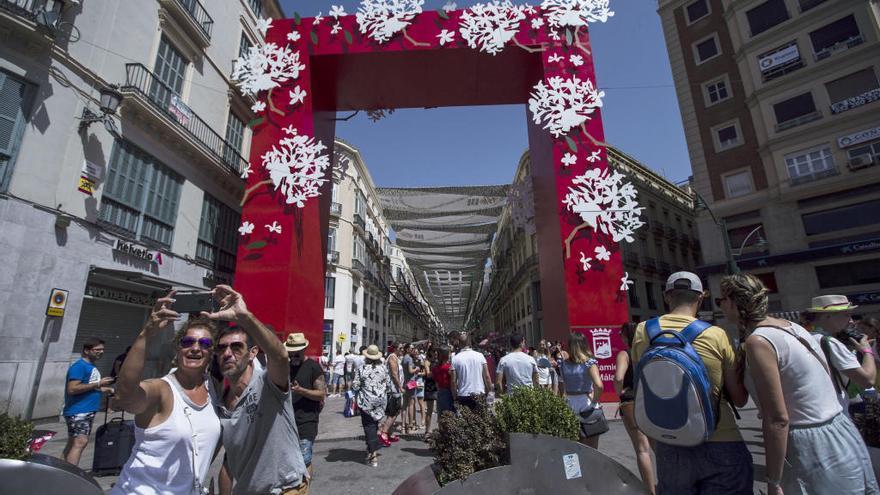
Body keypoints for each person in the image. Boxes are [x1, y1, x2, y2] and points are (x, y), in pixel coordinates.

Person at [719, 273, 880, 495]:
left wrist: (773, 480)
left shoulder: (758, 341)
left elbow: (777, 419)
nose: (720, 307)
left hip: (810, 444)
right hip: (841, 430)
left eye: (721, 301)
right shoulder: (790, 327)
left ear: (733, 302)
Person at [631, 272, 752, 494]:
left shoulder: (642, 331)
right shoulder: (716, 335)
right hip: (721, 438)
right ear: (701, 297)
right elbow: (740, 399)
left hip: (670, 443)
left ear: (667, 297)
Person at [111, 296, 221, 495]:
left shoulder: (213, 389)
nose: (195, 348)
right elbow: (124, 397)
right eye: (188, 342)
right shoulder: (161, 389)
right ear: (178, 348)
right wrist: (146, 334)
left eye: (204, 343)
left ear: (211, 352)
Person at [207, 285, 308, 495]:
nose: (227, 353)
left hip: (284, 490)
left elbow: (280, 356)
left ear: (253, 353)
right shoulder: (219, 401)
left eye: (236, 347)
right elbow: (229, 460)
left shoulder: (268, 382)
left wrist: (245, 317)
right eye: (221, 348)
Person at [805, 295, 876, 415]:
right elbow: (868, 380)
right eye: (846, 315)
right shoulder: (830, 343)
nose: (851, 320)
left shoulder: (806, 337)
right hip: (838, 413)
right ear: (827, 316)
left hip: (819, 410)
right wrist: (867, 351)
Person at [613, 322, 656, 494]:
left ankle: (650, 491)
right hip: (650, 400)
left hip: (631, 402)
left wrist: (620, 392)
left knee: (641, 449)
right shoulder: (647, 351)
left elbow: (618, 378)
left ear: (625, 335)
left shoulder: (625, 354)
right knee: (657, 446)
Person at [62, 337, 114, 467]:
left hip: (85, 410)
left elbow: (88, 387)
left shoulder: (91, 366)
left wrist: (103, 389)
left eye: (102, 350)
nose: (101, 352)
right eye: (97, 350)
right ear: (86, 350)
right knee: (80, 442)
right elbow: (72, 388)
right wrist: (98, 383)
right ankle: (71, 475)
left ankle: (60, 470)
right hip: (79, 410)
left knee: (73, 442)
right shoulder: (80, 366)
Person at [285, 332, 326, 479]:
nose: (293, 358)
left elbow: (321, 394)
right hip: (287, 422)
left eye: (297, 355)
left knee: (304, 460)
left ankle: (305, 489)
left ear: (303, 350)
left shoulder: (313, 368)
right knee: (289, 461)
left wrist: (301, 390)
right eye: (291, 355)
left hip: (306, 421)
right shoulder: (285, 367)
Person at [560, 333, 604, 448]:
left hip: (569, 404)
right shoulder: (589, 363)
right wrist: (594, 401)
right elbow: (599, 385)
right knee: (592, 447)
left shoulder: (563, 364)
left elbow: (561, 386)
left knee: (574, 447)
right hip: (586, 402)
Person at [351, 345, 390, 467]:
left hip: (366, 401)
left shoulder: (362, 369)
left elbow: (356, 386)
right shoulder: (383, 368)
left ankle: (373, 453)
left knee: (368, 426)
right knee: (374, 425)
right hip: (380, 401)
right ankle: (370, 450)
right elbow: (388, 384)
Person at [450, 332, 492, 410]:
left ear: (459, 343)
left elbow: (453, 381)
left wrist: (455, 397)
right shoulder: (480, 356)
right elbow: (487, 377)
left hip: (463, 395)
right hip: (479, 394)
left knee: (465, 421)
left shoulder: (455, 359)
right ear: (470, 342)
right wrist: (490, 394)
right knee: (480, 420)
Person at [379, 343, 404, 446]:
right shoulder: (392, 357)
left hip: (395, 389)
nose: (402, 350)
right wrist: (400, 387)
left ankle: (388, 432)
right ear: (395, 349)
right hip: (393, 389)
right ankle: (384, 433)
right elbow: (394, 374)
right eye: (400, 348)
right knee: (394, 411)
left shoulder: (396, 357)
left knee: (396, 410)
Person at [421, 346, 438, 441]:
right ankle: (427, 431)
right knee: (430, 410)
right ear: (430, 352)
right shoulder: (427, 361)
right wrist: (437, 372)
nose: (435, 353)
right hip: (430, 386)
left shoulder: (438, 361)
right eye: (433, 351)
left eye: (436, 351)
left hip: (438, 386)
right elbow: (428, 374)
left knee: (439, 409)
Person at [433, 345, 454, 415]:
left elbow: (436, 383)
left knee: (441, 414)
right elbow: (453, 382)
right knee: (449, 415)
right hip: (448, 392)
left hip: (440, 391)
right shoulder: (449, 368)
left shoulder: (436, 367)